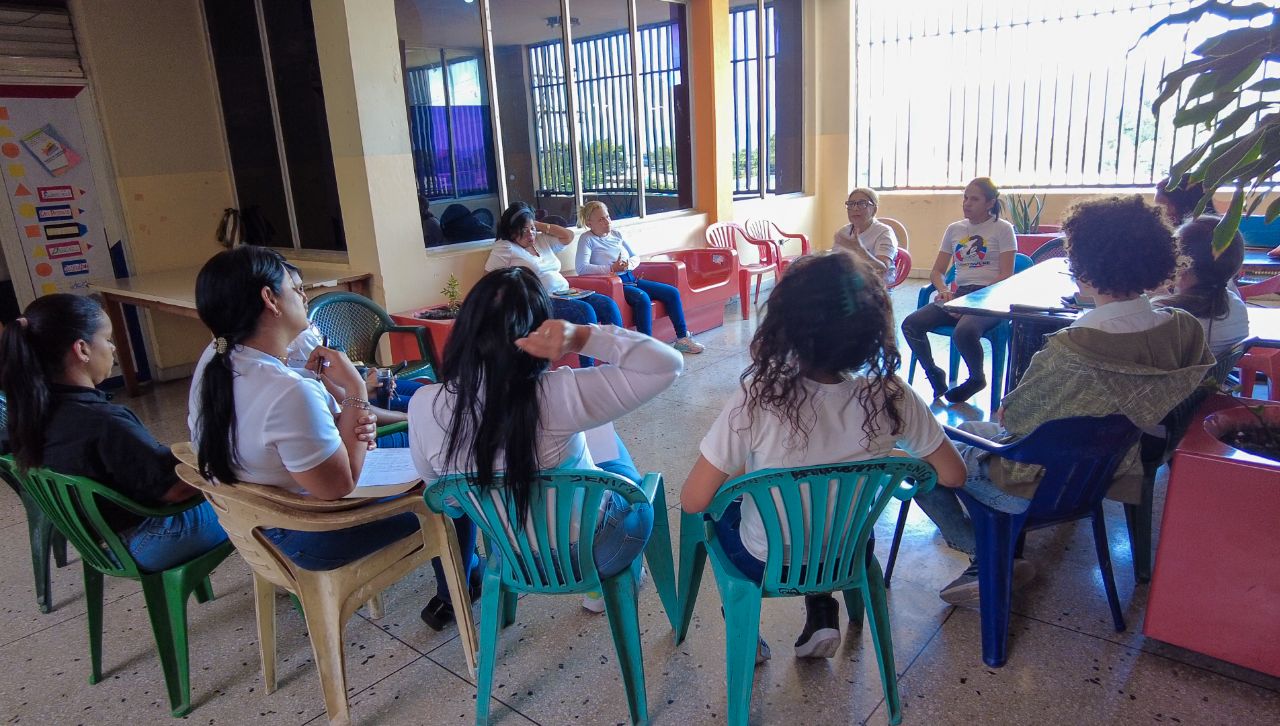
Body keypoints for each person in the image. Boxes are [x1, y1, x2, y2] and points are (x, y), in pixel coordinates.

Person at [913, 196, 1215, 605]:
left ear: (1085, 266)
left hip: (1048, 481)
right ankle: (991, 540)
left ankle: (985, 553)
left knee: (921, 458)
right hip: (1121, 461)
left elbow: (1015, 421)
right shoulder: (1183, 327)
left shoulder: (1072, 349)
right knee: (970, 430)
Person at [680, 253, 966, 663]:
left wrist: (744, 475)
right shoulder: (893, 395)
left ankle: (747, 634)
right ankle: (822, 607)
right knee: (828, 510)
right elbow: (953, 475)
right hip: (849, 553)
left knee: (725, 512)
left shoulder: (759, 398)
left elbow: (693, 500)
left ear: (786, 327)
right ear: (871, 329)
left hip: (764, 562)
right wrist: (890, 458)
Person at [408, 266, 682, 623]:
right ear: (540, 332)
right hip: (595, 553)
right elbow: (667, 365)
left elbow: (447, 499)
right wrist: (583, 337)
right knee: (611, 454)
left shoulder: (423, 404)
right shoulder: (561, 393)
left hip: (510, 555)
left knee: (585, 451)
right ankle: (604, 585)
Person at [188, 246, 425, 574]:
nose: (303, 297)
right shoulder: (288, 391)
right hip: (312, 535)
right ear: (270, 299)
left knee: (425, 448)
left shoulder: (214, 360)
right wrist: (355, 390)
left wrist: (347, 418)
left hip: (255, 525)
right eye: (296, 289)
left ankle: (464, 576)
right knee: (452, 475)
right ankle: (463, 584)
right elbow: (340, 486)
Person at [0, 294, 227, 572]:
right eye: (107, 340)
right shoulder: (104, 423)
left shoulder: (29, 412)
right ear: (82, 349)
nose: (113, 348)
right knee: (254, 506)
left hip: (99, 542)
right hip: (147, 542)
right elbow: (175, 490)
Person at [901, 177, 1018, 403]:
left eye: (974, 199)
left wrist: (970, 303)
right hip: (959, 294)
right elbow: (937, 271)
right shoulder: (954, 229)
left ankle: (976, 378)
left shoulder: (1003, 229)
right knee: (911, 324)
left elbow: (1006, 275)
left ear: (990, 202)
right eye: (965, 198)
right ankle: (934, 372)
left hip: (990, 297)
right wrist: (945, 291)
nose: (966, 203)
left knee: (963, 332)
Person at [485, 202, 624, 367]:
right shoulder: (505, 247)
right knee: (585, 312)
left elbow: (568, 236)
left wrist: (534, 224)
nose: (530, 234)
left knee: (607, 304)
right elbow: (489, 279)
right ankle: (589, 368)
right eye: (524, 230)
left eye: (532, 229)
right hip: (541, 301)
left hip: (567, 293)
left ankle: (618, 361)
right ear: (512, 231)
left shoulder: (541, 240)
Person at [574, 200, 706, 354]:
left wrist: (628, 264)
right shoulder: (587, 239)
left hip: (631, 278)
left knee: (671, 292)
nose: (607, 221)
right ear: (590, 223)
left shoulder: (617, 234)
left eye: (608, 217)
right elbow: (581, 268)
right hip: (614, 284)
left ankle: (682, 338)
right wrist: (611, 268)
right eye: (601, 219)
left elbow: (635, 257)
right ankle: (645, 349)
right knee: (642, 298)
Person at [1155, 215, 1249, 356]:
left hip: (1180, 377)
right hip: (1215, 377)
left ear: (1184, 263)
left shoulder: (1166, 316)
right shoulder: (1236, 305)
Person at [832, 187, 899, 283]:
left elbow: (883, 268)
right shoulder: (844, 232)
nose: (855, 208)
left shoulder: (884, 232)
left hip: (876, 287)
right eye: (851, 204)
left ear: (874, 209)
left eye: (862, 204)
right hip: (848, 283)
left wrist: (860, 250)